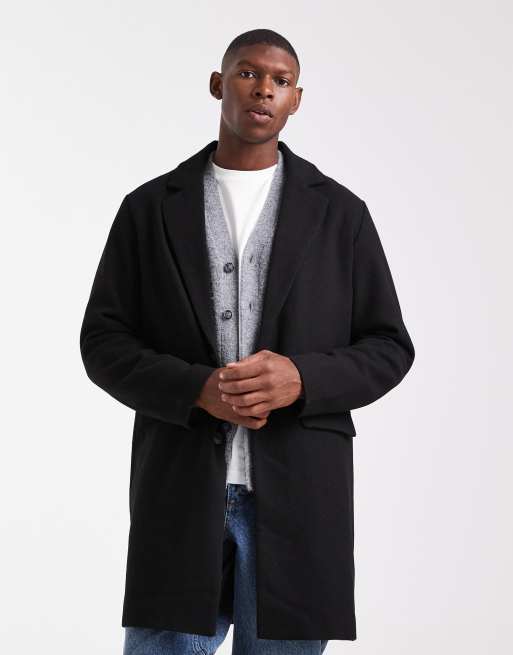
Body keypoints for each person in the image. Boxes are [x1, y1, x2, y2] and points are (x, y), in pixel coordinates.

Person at [80, 28, 415, 655]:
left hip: (300, 493)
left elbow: (390, 346)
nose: (264, 89)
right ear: (218, 84)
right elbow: (102, 341)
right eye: (248, 73)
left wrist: (302, 379)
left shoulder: (341, 215)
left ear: (296, 100)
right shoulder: (149, 209)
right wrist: (195, 389)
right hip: (179, 488)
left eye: (281, 81)